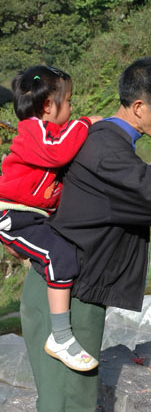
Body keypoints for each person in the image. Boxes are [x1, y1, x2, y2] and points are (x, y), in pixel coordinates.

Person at [19, 56, 151, 412]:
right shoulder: (105, 149)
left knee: (75, 402)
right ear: (138, 107)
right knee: (66, 409)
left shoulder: (110, 143)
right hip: (66, 294)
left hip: (78, 288)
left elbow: (143, 205)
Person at [0, 65, 101, 370]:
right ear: (47, 106)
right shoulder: (34, 129)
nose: (72, 109)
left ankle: (51, 285)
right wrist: (85, 123)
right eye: (69, 101)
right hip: (14, 215)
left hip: (33, 216)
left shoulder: (49, 130)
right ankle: (61, 336)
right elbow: (58, 153)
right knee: (59, 255)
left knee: (58, 254)